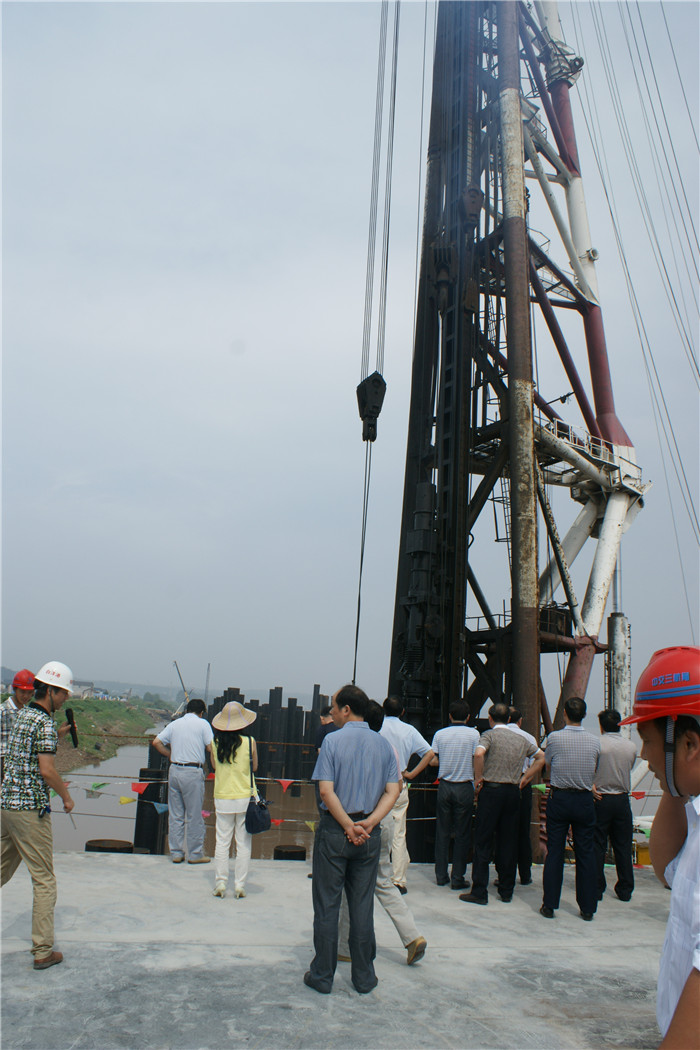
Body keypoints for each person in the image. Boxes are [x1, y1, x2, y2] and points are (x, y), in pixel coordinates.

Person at [620, 646, 699, 1050]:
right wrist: (675, 779)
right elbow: (668, 869)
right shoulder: (694, 813)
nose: (643, 755)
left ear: (690, 744)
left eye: (648, 741)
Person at [304, 684, 399, 995]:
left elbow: (325, 791)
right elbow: (393, 790)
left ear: (346, 710)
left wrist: (347, 825)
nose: (331, 712)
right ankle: (364, 977)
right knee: (361, 906)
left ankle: (322, 976)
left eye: (334, 707)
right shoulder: (383, 745)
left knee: (327, 905)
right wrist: (369, 822)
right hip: (369, 835)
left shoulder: (332, 741)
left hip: (336, 832)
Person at [338, 700, 427, 966]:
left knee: (348, 882)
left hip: (357, 821)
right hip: (382, 820)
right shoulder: (390, 750)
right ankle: (412, 936)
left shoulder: (351, 745)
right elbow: (396, 787)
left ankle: (345, 946)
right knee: (383, 881)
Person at [1, 661, 75, 969]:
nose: (65, 699)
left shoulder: (22, 716)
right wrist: (66, 797)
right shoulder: (43, 722)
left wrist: (56, 735)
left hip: (7, 805)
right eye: (64, 694)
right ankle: (43, 950)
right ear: (52, 691)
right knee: (44, 879)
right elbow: (47, 770)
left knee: (2, 869)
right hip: (30, 810)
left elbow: (26, 754)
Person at [460, 702, 544, 907]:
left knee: (483, 841)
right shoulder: (521, 739)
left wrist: (478, 778)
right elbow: (541, 757)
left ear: (490, 718)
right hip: (513, 792)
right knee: (508, 841)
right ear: (509, 719)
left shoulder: (488, 736)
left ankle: (479, 891)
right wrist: (526, 778)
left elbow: (479, 754)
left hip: (491, 790)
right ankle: (506, 890)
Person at [540, 696, 600, 921]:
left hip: (560, 797)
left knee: (554, 852)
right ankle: (588, 908)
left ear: (564, 713)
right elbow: (595, 767)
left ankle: (549, 905)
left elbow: (548, 763)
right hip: (584, 799)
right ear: (584, 715)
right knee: (586, 853)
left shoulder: (555, 738)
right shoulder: (594, 741)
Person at [380, 696, 435, 893]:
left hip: (378, 787)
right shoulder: (409, 730)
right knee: (398, 834)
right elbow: (429, 754)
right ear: (403, 712)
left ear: (383, 710)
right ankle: (398, 880)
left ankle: (374, 875)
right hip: (399, 785)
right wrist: (412, 773)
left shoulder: (377, 727)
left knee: (374, 829)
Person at [153, 698, 214, 864]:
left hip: (174, 770)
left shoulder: (175, 724)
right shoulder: (203, 724)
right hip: (192, 772)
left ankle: (176, 853)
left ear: (187, 710)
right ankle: (195, 854)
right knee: (194, 815)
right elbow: (210, 747)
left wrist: (170, 755)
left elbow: (156, 742)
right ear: (202, 712)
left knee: (176, 815)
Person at [209, 700, 258, 899]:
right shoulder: (250, 742)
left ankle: (221, 883)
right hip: (244, 798)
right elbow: (254, 767)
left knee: (222, 842)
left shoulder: (214, 742)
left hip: (222, 797)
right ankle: (239, 885)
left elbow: (214, 766)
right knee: (243, 844)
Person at [430, 700, 480, 890]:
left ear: (450, 716)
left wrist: (446, 761)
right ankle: (458, 877)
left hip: (444, 786)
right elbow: (477, 757)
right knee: (462, 833)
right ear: (468, 717)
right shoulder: (474, 735)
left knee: (442, 831)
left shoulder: (440, 734)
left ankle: (441, 875)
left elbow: (433, 760)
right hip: (464, 786)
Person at [592, 708, 638, 903]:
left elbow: (591, 768)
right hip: (622, 799)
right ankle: (625, 889)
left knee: (597, 845)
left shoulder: (597, 744)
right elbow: (629, 767)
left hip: (600, 798)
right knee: (623, 846)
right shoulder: (631, 746)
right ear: (620, 724)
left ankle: (596, 887)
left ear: (601, 725)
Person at [506, 706, 539, 886]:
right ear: (520, 721)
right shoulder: (529, 738)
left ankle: (505, 874)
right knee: (523, 831)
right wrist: (526, 779)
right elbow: (537, 762)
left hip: (503, 783)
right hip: (523, 784)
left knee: (505, 832)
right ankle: (525, 874)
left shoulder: (498, 735)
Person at [1, 669, 35, 781]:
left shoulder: (27, 713)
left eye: (29, 693)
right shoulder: (3, 711)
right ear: (15, 689)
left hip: (20, 767)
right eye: (22, 692)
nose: (26, 696)